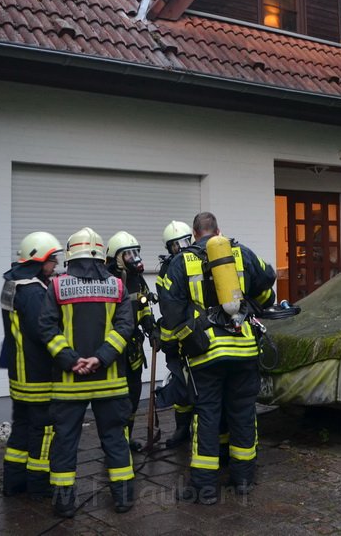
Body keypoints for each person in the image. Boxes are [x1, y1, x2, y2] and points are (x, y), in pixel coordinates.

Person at [159, 212, 276, 505]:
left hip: (206, 354)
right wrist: (254, 306)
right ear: (218, 231)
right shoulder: (240, 251)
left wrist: (184, 340)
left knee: (207, 416)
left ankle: (204, 487)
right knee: (243, 413)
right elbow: (266, 284)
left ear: (195, 233)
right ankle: (244, 479)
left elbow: (171, 312)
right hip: (244, 349)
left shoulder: (180, 262)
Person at [39, 227, 135, 517]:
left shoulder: (56, 287)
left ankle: (64, 502)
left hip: (70, 384)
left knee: (65, 442)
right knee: (115, 439)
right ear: (101, 255)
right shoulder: (118, 286)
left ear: (71, 255)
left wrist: (72, 360)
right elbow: (124, 328)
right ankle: (123, 498)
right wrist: (100, 358)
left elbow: (46, 328)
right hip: (111, 382)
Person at [0, 231, 62, 498]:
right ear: (39, 259)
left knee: (21, 427)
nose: (55, 265)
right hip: (37, 373)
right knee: (43, 430)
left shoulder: (12, 284)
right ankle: (39, 485)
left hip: (18, 370)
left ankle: (13, 483)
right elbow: (43, 330)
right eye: (52, 260)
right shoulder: (34, 292)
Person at [105, 231, 157, 453]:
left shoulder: (137, 279)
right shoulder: (106, 280)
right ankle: (114, 444)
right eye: (127, 253)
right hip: (113, 350)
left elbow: (144, 305)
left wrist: (151, 328)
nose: (133, 257)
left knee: (133, 394)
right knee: (115, 398)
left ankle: (126, 438)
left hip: (133, 348)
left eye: (135, 252)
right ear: (116, 257)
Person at [154, 220, 195, 449]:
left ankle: (202, 430)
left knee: (201, 384)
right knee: (181, 383)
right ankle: (182, 428)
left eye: (185, 241)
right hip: (180, 336)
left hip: (198, 335)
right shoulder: (167, 269)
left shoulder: (201, 261)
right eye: (176, 245)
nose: (181, 248)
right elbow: (166, 305)